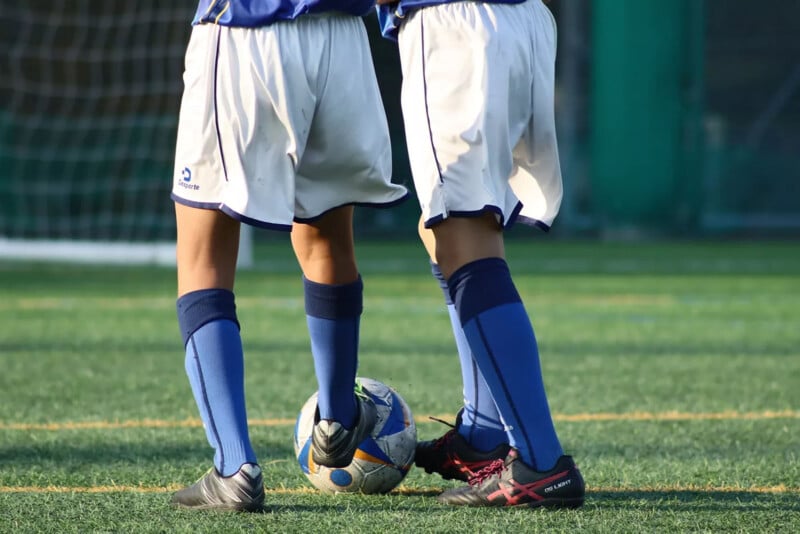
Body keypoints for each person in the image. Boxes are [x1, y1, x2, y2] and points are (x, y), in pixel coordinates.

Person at [169, 0, 407, 512]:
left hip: (247, 29)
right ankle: (338, 420)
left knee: (203, 255)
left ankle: (235, 467)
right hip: (343, 39)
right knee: (326, 237)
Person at [376, 0, 585, 508]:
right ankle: (484, 434)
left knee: (462, 235)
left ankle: (540, 463)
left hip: (454, 24)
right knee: (450, 228)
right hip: (520, 20)